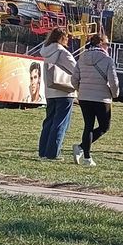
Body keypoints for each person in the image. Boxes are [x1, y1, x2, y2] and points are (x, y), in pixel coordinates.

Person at [71, 35, 119, 168]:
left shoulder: (82, 58)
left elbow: (74, 79)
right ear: (101, 44)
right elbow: (113, 81)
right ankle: (82, 149)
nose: (108, 46)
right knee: (104, 126)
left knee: (88, 126)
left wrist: (81, 89)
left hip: (85, 97)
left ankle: (85, 155)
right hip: (102, 98)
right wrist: (114, 94)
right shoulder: (107, 60)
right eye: (107, 44)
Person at [37, 28, 78, 161]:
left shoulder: (46, 52)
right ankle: (53, 153)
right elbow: (76, 70)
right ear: (61, 38)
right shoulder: (63, 53)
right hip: (64, 90)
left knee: (49, 122)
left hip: (50, 91)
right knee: (60, 123)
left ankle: (43, 151)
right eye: (66, 38)